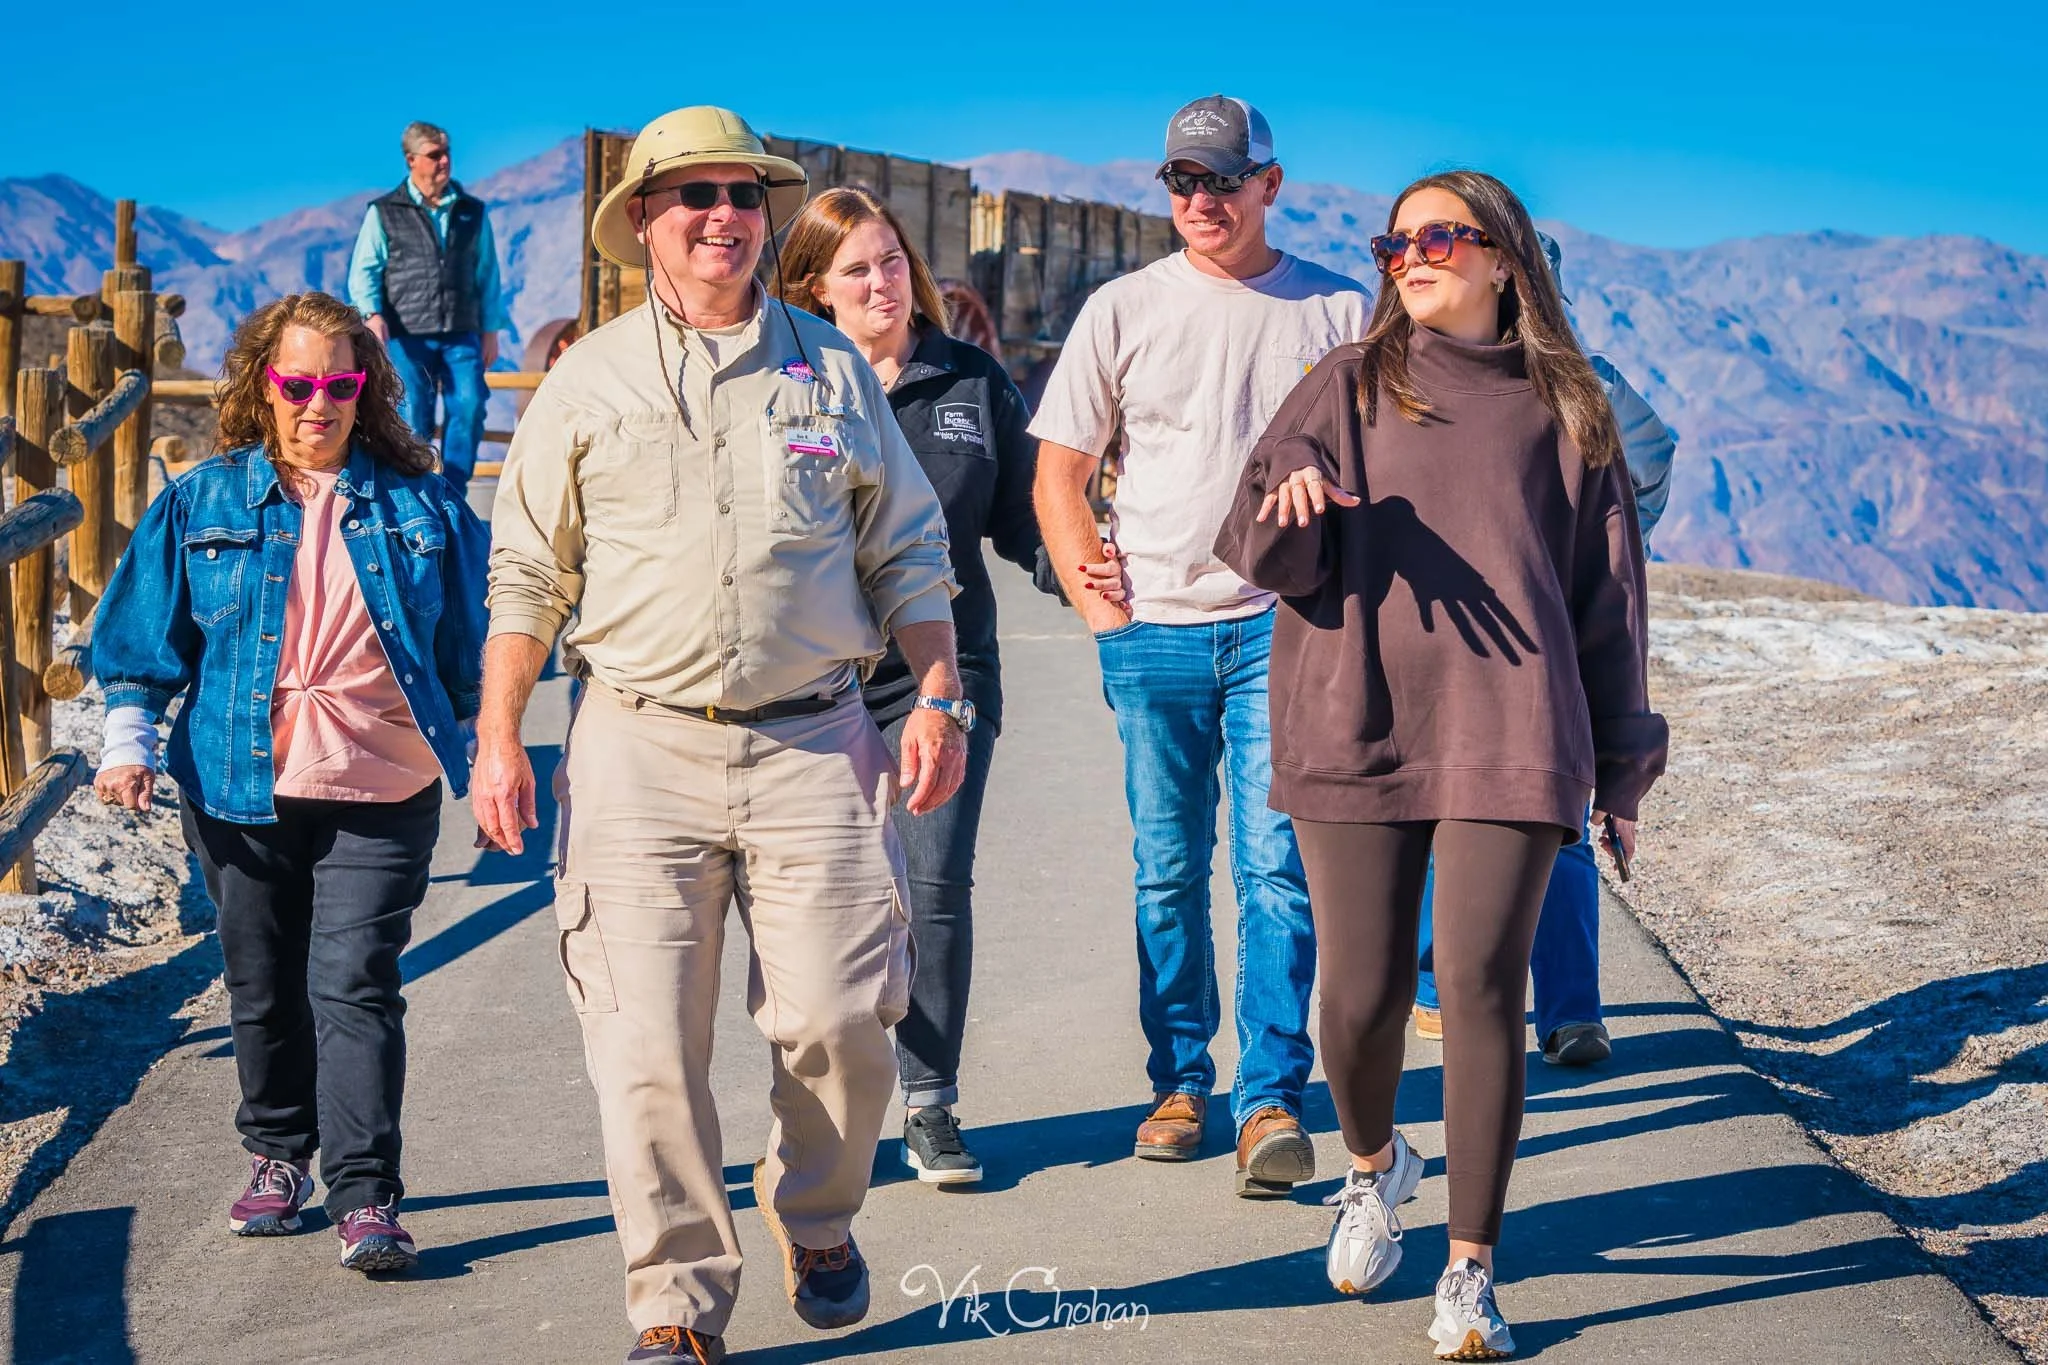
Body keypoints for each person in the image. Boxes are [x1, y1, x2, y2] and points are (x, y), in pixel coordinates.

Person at [474, 106, 965, 1365]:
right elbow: (528, 570)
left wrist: (942, 693)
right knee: (642, 1044)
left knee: (846, 1023)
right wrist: (497, 735)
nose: (720, 217)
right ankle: (674, 1306)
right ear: (642, 223)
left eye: (741, 195)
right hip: (637, 748)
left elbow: (905, 549)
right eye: (688, 196)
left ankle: (814, 1213)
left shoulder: (831, 370)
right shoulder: (586, 380)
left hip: (816, 745)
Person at [1215, 170, 1667, 1358]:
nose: (1408, 255)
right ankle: (1376, 1165)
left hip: (1513, 733)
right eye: (1394, 240)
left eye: (1438, 236)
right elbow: (1252, 545)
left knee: (1475, 991)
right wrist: (1296, 508)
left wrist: (1618, 767)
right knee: (1354, 1007)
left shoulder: (1565, 412)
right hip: (1351, 723)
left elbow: (1607, 601)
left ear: (1504, 260)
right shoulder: (1342, 386)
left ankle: (1469, 1272)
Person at [91, 291, 489, 1276]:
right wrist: (128, 739)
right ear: (262, 386)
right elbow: (146, 639)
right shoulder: (203, 500)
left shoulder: (421, 504)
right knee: (264, 988)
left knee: (353, 984)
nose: (319, 403)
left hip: (382, 780)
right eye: (298, 383)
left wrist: (491, 763)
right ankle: (277, 1152)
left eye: (340, 384)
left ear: (365, 391)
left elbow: (470, 653)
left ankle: (365, 1197)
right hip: (236, 781)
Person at [1032, 95, 1371, 1199]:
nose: (1200, 201)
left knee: (1278, 871)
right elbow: (1059, 471)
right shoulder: (1122, 308)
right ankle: (1178, 1080)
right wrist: (1098, 603)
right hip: (1155, 636)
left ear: (1270, 183)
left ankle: (1268, 1097)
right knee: (1166, 871)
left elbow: (1388, 461)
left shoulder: (1335, 310)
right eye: (1181, 181)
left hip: (1284, 628)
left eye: (1221, 181)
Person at [775, 187, 1057, 1187]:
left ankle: (930, 1104)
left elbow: (1027, 517)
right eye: (858, 269)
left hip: (942, 672)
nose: (884, 282)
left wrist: (1089, 571)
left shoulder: (969, 382)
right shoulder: (785, 384)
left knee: (932, 887)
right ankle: (825, 1104)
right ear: (815, 288)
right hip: (811, 683)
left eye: (892, 260)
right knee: (825, 903)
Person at [1411, 230, 1680, 1067]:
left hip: (1467, 632)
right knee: (1551, 815)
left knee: (1441, 809)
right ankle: (1571, 1009)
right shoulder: (1587, 376)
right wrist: (1619, 538)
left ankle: (1438, 993)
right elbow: (1655, 453)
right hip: (1543, 633)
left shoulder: (1446, 379)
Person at [346, 120, 510, 493]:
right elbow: (365, 270)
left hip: (461, 333)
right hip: (406, 335)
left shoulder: (472, 211)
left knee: (469, 406)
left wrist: (490, 330)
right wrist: (372, 316)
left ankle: (453, 494)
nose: (444, 161)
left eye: (447, 153)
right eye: (435, 155)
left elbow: (488, 273)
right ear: (411, 160)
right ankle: (415, 494)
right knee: (412, 414)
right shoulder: (384, 212)